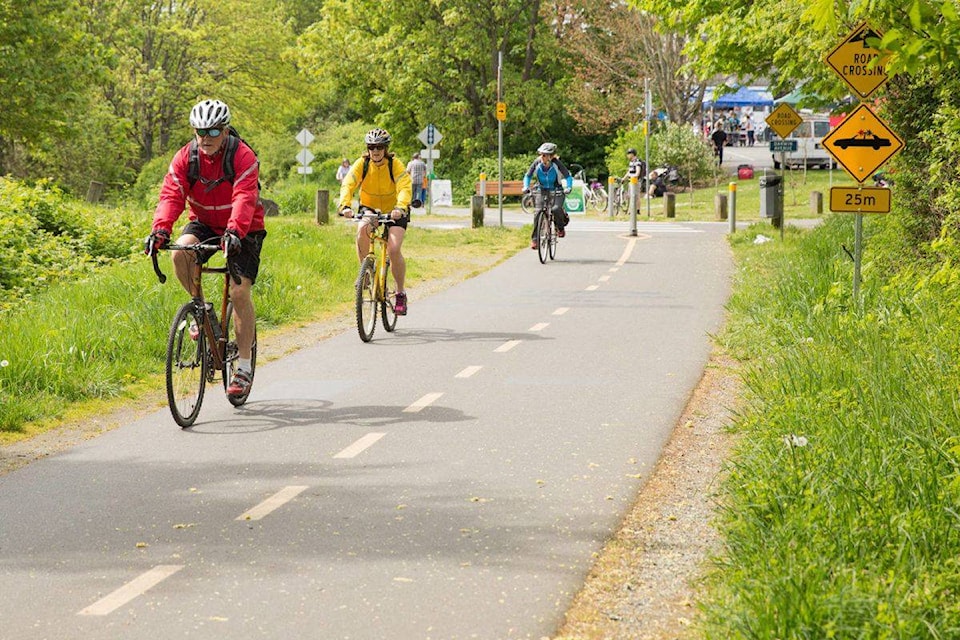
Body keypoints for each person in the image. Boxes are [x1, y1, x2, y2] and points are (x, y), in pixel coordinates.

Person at [145, 98, 266, 399]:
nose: (206, 138)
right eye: (200, 132)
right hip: (203, 222)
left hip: (245, 227)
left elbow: (244, 198)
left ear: (225, 131)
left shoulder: (243, 156)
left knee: (238, 292)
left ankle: (244, 367)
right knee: (180, 253)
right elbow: (171, 195)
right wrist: (160, 229)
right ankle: (202, 310)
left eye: (213, 132)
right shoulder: (185, 158)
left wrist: (235, 232)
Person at [337, 128, 413, 315]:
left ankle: (400, 292)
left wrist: (401, 207)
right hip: (370, 208)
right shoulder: (362, 164)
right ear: (368, 148)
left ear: (385, 148)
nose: (375, 151)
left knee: (394, 249)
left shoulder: (394, 164)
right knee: (362, 229)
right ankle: (367, 273)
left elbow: (404, 186)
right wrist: (345, 206)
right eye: (372, 147)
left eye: (379, 147)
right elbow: (348, 183)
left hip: (395, 210)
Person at [522, 142, 572, 250]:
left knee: (555, 208)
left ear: (551, 156)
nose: (542, 157)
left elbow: (568, 176)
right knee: (538, 212)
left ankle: (560, 228)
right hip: (541, 190)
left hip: (557, 190)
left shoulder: (557, 164)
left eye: (545, 155)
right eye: (541, 154)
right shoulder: (537, 163)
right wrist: (525, 186)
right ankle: (535, 239)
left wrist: (568, 187)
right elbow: (528, 176)